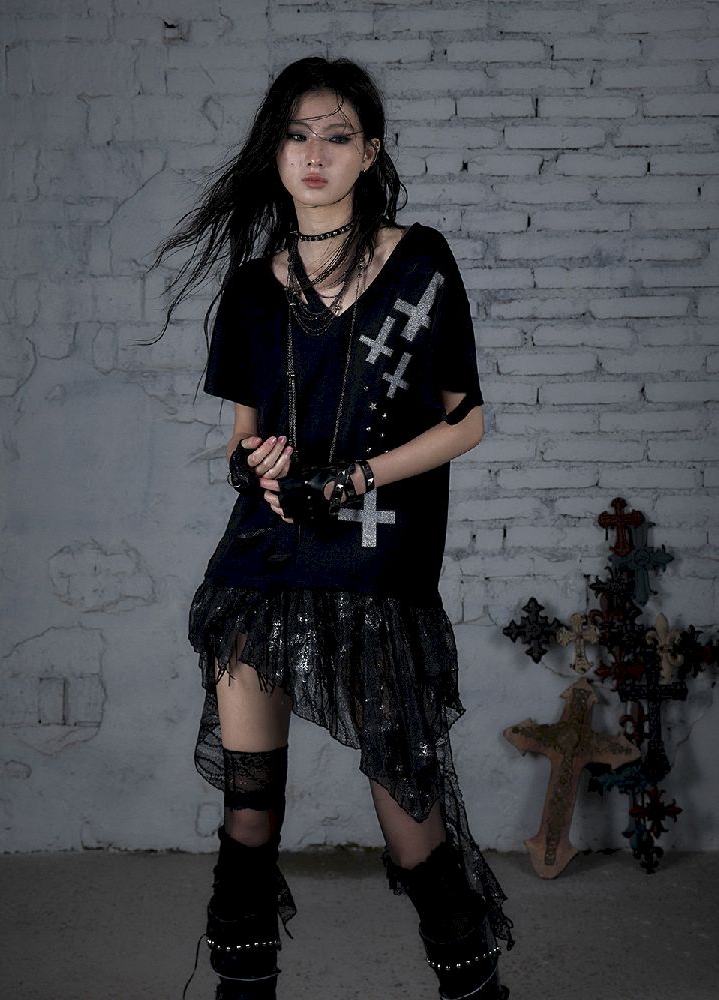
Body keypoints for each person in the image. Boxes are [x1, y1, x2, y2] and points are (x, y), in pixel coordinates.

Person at [159, 56, 513, 1000]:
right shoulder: (251, 288)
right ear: (274, 153)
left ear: (370, 152)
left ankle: (476, 991)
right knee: (248, 816)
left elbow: (466, 421)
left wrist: (352, 477)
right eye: (296, 135)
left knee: (411, 820)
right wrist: (256, 467)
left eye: (337, 136)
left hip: (375, 563)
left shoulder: (420, 262)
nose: (314, 154)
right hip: (261, 564)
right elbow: (243, 439)